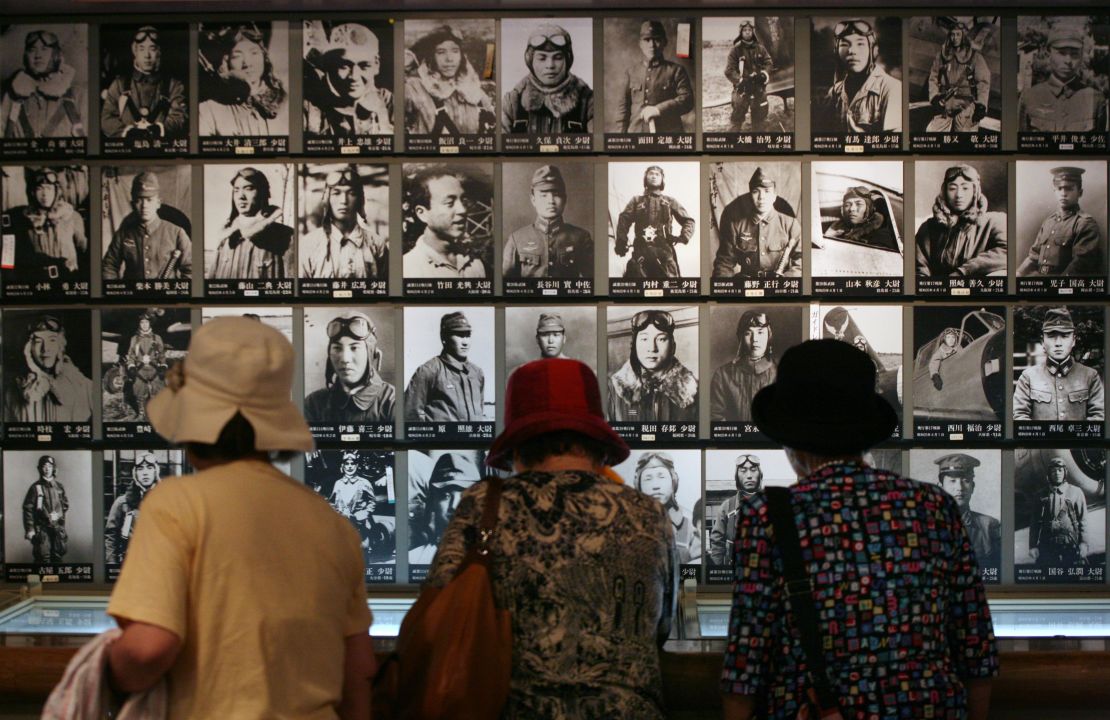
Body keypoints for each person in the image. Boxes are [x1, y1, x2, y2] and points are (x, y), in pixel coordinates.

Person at [106, 317, 375, 718]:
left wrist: (103, 674)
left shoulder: (176, 503)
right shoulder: (331, 523)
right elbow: (358, 670)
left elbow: (148, 648)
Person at [722, 339, 998, 719]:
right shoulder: (935, 506)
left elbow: (745, 661)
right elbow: (975, 645)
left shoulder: (768, 515)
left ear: (790, 441)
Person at [428, 357, 676, 717]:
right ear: (597, 445)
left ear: (518, 447)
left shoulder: (483, 505)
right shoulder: (649, 514)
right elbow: (661, 628)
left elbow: (440, 612)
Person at [915, 164, 1007, 278]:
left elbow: (1006, 252)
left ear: (975, 191)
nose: (959, 195)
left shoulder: (993, 222)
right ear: (944, 191)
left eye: (965, 188)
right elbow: (919, 267)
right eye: (952, 188)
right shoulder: (928, 227)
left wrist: (964, 271)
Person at [1013, 307, 1104, 422]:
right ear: (1042, 342)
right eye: (1051, 336)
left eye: (1065, 336)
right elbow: (1018, 416)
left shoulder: (1090, 376)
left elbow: (1099, 416)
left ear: (1074, 340)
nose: (1058, 343)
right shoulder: (1028, 377)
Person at [304, 311, 395, 425]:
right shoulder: (313, 404)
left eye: (354, 348)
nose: (345, 359)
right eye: (337, 348)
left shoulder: (393, 402)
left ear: (372, 353)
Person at [304, 22, 393, 137]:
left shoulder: (389, 103)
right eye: (344, 66)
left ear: (376, 65)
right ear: (329, 65)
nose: (354, 76)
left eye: (364, 66)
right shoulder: (308, 109)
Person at [607, 310, 697, 423]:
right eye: (644, 339)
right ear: (634, 346)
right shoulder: (613, 389)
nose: (652, 348)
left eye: (661, 339)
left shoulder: (694, 391)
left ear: (673, 347)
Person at [503, 165, 592, 279]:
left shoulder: (581, 238)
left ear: (564, 199)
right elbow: (506, 285)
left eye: (556, 195)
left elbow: (592, 282)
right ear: (533, 200)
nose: (550, 201)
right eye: (544, 196)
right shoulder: (517, 239)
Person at [1, 167, 88, 286]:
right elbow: (8, 260)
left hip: (68, 281)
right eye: (39, 189)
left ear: (57, 191)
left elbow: (85, 252)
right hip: (36, 282)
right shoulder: (21, 218)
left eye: (49, 188)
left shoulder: (72, 216)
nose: (44, 194)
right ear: (32, 192)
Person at [198, 23, 288, 137]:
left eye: (254, 53)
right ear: (226, 62)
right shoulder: (208, 111)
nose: (247, 63)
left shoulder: (286, 104)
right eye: (237, 56)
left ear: (264, 57)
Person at [404, 24, 495, 136]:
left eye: (455, 51)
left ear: (462, 56)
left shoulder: (476, 93)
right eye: (441, 52)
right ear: (431, 57)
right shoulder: (415, 89)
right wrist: (413, 55)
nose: (449, 59)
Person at [101, 25, 187, 141]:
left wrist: (160, 129)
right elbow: (106, 119)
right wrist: (127, 132)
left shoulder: (174, 86)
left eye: (152, 48)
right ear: (134, 51)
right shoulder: (119, 85)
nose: (147, 55)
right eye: (142, 49)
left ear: (159, 52)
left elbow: (180, 117)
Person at [502, 24, 592, 135]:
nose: (550, 65)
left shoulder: (587, 101)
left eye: (558, 57)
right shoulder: (512, 102)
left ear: (568, 59)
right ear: (530, 60)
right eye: (542, 58)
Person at [712, 167, 801, 279]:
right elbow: (724, 263)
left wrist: (784, 283)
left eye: (767, 191)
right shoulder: (736, 225)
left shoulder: (791, 224)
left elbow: (802, 261)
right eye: (756, 191)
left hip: (779, 284)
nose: (761, 197)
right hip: (746, 284)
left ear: (774, 195)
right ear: (750, 195)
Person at [102, 171, 192, 281]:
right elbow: (109, 266)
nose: (144, 206)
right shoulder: (123, 233)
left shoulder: (177, 233)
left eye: (149, 200)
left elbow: (191, 270)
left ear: (158, 203)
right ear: (132, 204)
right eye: (139, 200)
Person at [301, 166, 387, 280]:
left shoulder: (376, 244)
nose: (344, 201)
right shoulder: (308, 245)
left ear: (360, 199)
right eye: (336, 193)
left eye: (351, 193)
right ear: (327, 199)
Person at [1016, 166, 1104, 277]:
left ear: (1080, 193)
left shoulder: (1085, 224)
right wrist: (1018, 273)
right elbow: (1034, 256)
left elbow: (1080, 265)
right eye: (1059, 189)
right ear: (1055, 191)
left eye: (1069, 188)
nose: (1063, 193)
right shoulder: (1048, 222)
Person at [207, 167, 294, 280]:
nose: (241, 196)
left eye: (248, 188)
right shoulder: (226, 239)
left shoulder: (285, 236)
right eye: (236, 190)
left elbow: (293, 287)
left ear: (263, 193)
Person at [5, 314, 94, 423]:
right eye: (38, 342)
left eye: (52, 340)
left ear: (60, 345)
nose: (45, 349)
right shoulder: (11, 392)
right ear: (28, 348)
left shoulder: (85, 387)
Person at [1018, 25, 1107, 133]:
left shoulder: (1095, 99)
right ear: (1048, 53)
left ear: (1081, 56)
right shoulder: (1030, 97)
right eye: (1061, 53)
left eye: (1074, 54)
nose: (1068, 60)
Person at [402, 167, 486, 278]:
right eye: (449, 203)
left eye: (463, 201)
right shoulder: (408, 268)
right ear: (422, 213)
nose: (463, 210)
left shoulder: (474, 262)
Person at [0, 29, 85, 139]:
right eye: (32, 50)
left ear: (55, 54)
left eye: (44, 49)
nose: (38, 55)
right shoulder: (11, 97)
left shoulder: (78, 95)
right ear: (26, 56)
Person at [615, 165, 696, 278]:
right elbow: (624, 218)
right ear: (645, 178)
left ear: (662, 179)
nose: (654, 176)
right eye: (651, 173)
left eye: (657, 174)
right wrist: (621, 240)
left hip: (664, 253)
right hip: (640, 253)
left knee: (670, 286)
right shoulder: (636, 201)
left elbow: (689, 221)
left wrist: (682, 237)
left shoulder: (669, 201)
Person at [614, 21, 694, 134]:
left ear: (664, 42)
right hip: (636, 134)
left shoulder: (676, 70)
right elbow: (623, 112)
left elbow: (687, 100)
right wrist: (621, 140)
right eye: (647, 40)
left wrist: (658, 110)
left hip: (668, 135)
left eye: (656, 40)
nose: (651, 45)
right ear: (640, 44)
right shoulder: (630, 73)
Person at [405, 311, 486, 423]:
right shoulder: (429, 371)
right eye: (460, 335)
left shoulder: (477, 373)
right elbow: (410, 416)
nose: (465, 342)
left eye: (468, 335)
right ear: (444, 338)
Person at [823, 19, 901, 134]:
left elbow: (895, 145)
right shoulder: (835, 92)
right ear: (836, 51)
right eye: (844, 44)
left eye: (860, 43)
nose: (852, 51)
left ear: (873, 50)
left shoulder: (892, 88)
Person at [934, 453, 1001, 571]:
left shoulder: (989, 526)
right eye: (952, 481)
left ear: (973, 487)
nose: (959, 488)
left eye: (966, 481)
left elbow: (998, 573)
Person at [408, 452, 478, 564]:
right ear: (433, 503)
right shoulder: (412, 561)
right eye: (446, 496)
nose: (454, 506)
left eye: (463, 495)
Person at [710, 311, 777, 423]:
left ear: (769, 335)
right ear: (741, 338)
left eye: (760, 332)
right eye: (748, 333)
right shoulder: (722, 375)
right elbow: (714, 417)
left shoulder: (781, 372)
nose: (754, 339)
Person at [925, 18, 991, 133]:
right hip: (945, 103)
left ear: (963, 36)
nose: (955, 38)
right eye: (952, 35)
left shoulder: (975, 57)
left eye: (958, 35)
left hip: (966, 105)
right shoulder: (942, 56)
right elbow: (933, 77)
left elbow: (983, 83)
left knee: (966, 139)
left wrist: (981, 105)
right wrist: (934, 97)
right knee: (931, 133)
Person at [634, 452, 700, 565]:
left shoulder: (689, 522)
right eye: (648, 479)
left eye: (661, 477)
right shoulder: (628, 520)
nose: (656, 485)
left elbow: (701, 561)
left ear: (673, 481)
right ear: (639, 484)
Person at [1029, 457, 1090, 569]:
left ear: (1065, 473)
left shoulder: (1076, 492)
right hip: (1047, 544)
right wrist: (1032, 545)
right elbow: (1035, 523)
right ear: (1049, 474)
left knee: (1073, 578)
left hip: (1070, 543)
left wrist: (1084, 543)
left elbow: (1083, 520)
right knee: (1046, 578)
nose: (1057, 473)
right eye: (1053, 471)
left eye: (1060, 470)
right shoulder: (1040, 495)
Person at [104, 452, 162, 565]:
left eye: (149, 468)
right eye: (140, 469)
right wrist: (112, 566)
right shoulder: (122, 503)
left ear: (156, 471)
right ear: (135, 473)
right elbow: (111, 537)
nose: (145, 473)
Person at [708, 454, 764, 567]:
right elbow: (717, 543)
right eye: (743, 471)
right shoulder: (727, 507)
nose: (749, 475)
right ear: (737, 476)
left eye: (753, 470)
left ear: (760, 474)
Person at [725, 19, 773, 132]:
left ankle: (757, 145)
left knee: (760, 120)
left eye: (750, 30)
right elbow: (729, 70)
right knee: (736, 120)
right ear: (741, 32)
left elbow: (769, 63)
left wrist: (763, 75)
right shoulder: (735, 50)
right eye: (745, 30)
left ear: (753, 32)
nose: (747, 32)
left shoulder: (760, 48)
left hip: (758, 88)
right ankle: (731, 145)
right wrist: (741, 81)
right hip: (742, 89)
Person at [22, 455, 69, 563]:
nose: (47, 469)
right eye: (44, 466)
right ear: (40, 468)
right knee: (43, 558)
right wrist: (30, 529)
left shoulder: (59, 487)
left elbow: (65, 505)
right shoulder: (35, 488)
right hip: (42, 529)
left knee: (58, 556)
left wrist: (57, 514)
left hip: (57, 528)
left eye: (49, 466)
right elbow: (28, 509)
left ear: (54, 468)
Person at [122, 310, 168, 420]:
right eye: (142, 323)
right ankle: (141, 413)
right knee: (139, 391)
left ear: (150, 324)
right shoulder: (134, 339)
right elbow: (131, 355)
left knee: (159, 391)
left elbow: (161, 354)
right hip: (139, 370)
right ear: (139, 324)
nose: (144, 325)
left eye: (146, 322)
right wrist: (131, 367)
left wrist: (163, 366)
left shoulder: (157, 338)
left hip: (154, 369)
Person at [825, 185, 899, 252]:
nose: (852, 209)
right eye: (847, 205)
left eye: (858, 204)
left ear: (869, 209)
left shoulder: (881, 237)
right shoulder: (837, 228)